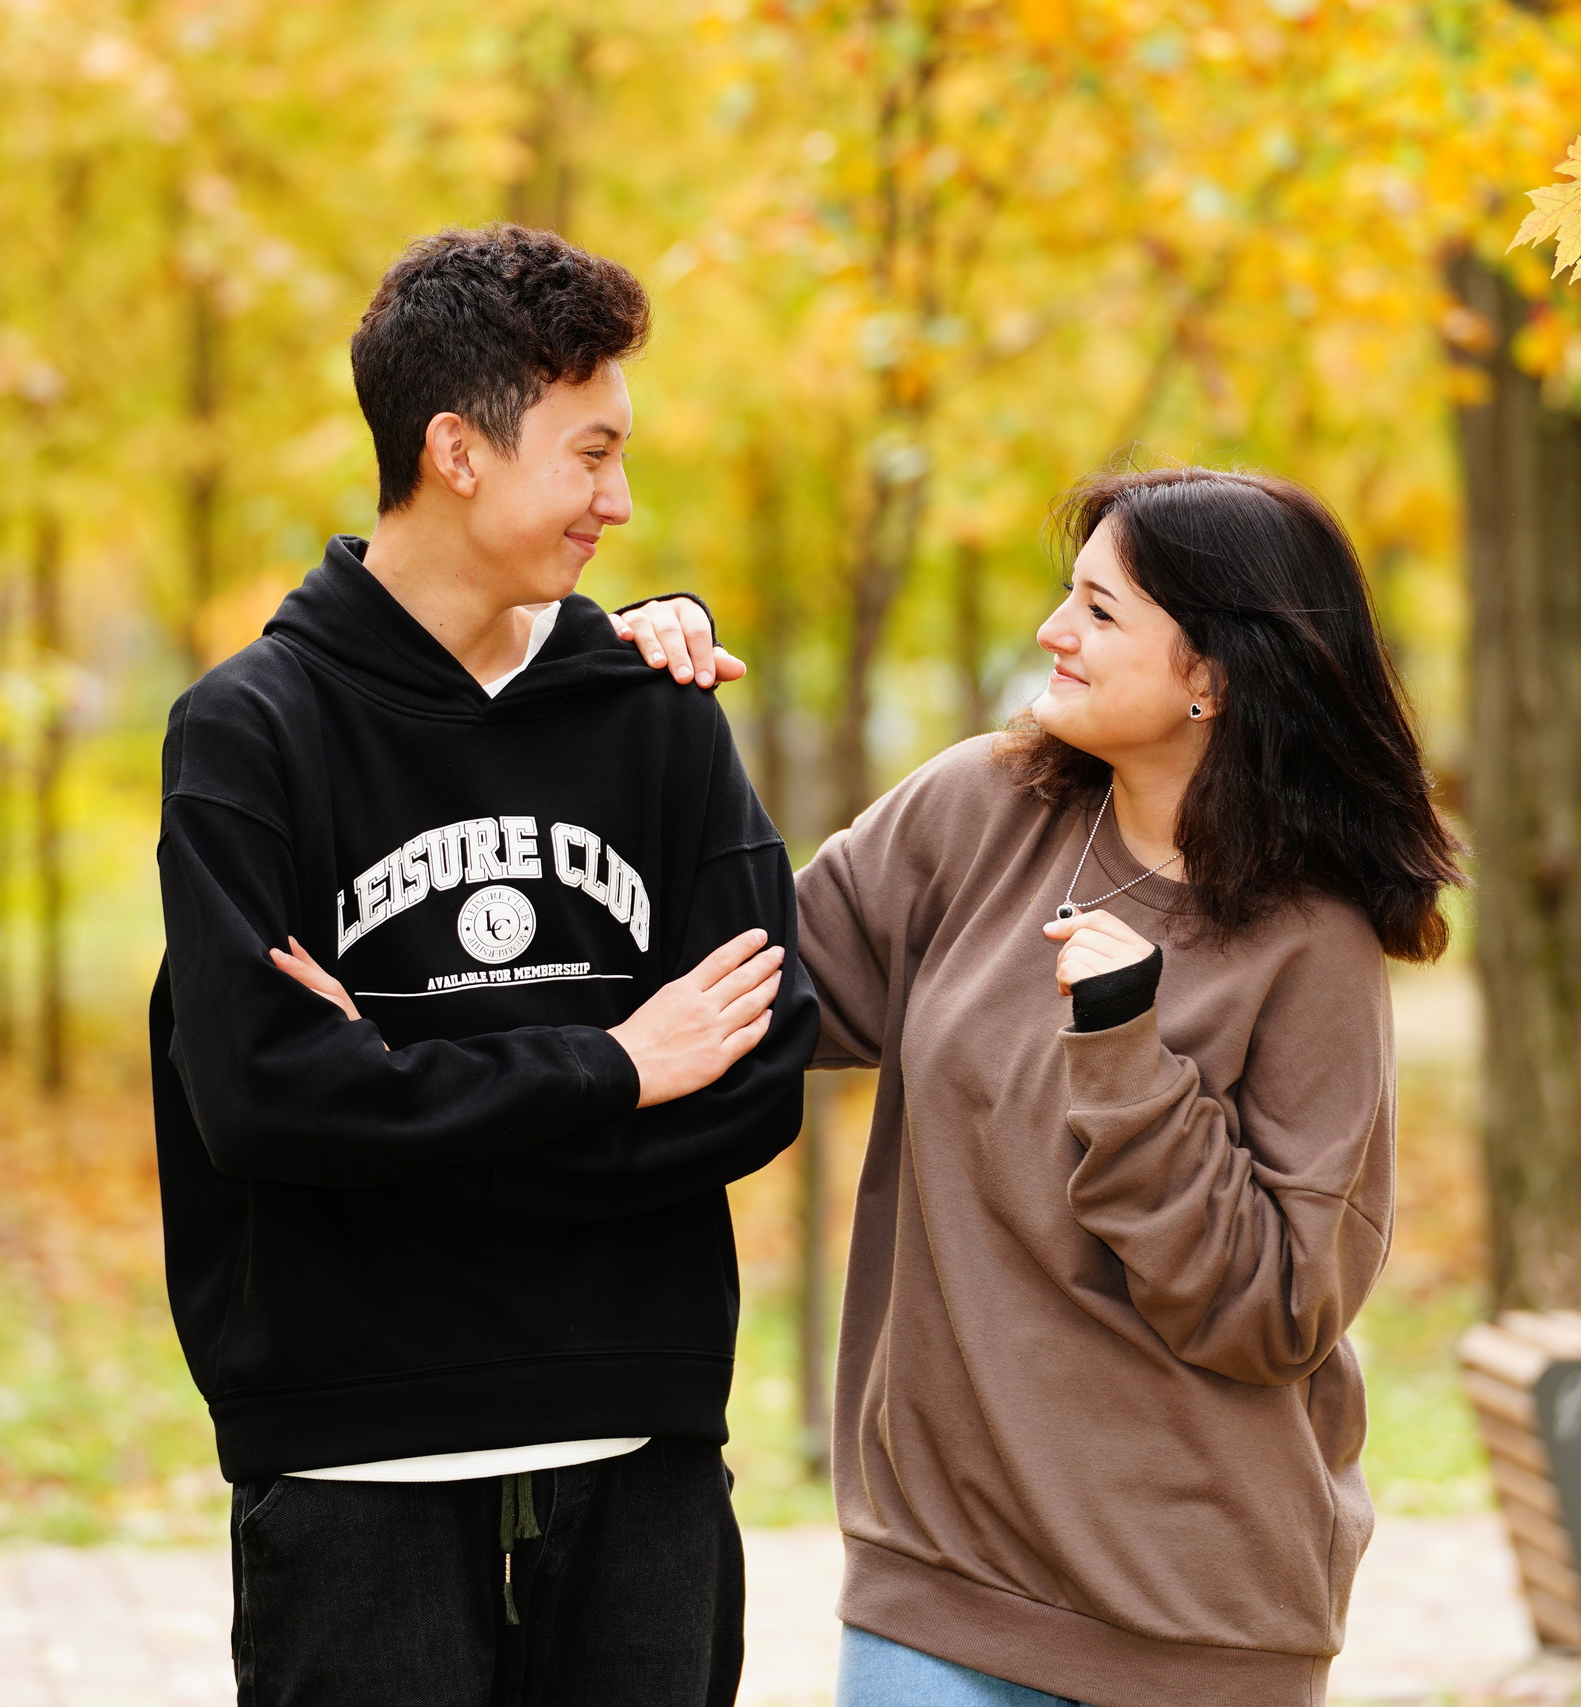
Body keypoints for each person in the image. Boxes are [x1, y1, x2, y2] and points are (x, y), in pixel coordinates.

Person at [613, 466, 1464, 1706]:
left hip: (1191, 1618)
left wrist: (1125, 1052)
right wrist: (645, 722)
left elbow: (1276, 1309)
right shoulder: (981, 812)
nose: (1050, 633)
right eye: (1066, 598)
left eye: (1100, 612)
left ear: (1209, 675)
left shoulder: (1310, 944)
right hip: (937, 1587)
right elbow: (737, 990)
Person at [152, 222, 816, 1707]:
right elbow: (260, 1101)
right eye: (590, 455)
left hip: (636, 1444)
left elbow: (762, 1072)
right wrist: (613, 1066)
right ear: (457, 449)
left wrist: (397, 1114)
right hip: (353, 1459)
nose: (622, 502)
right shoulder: (248, 733)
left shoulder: (659, 715)